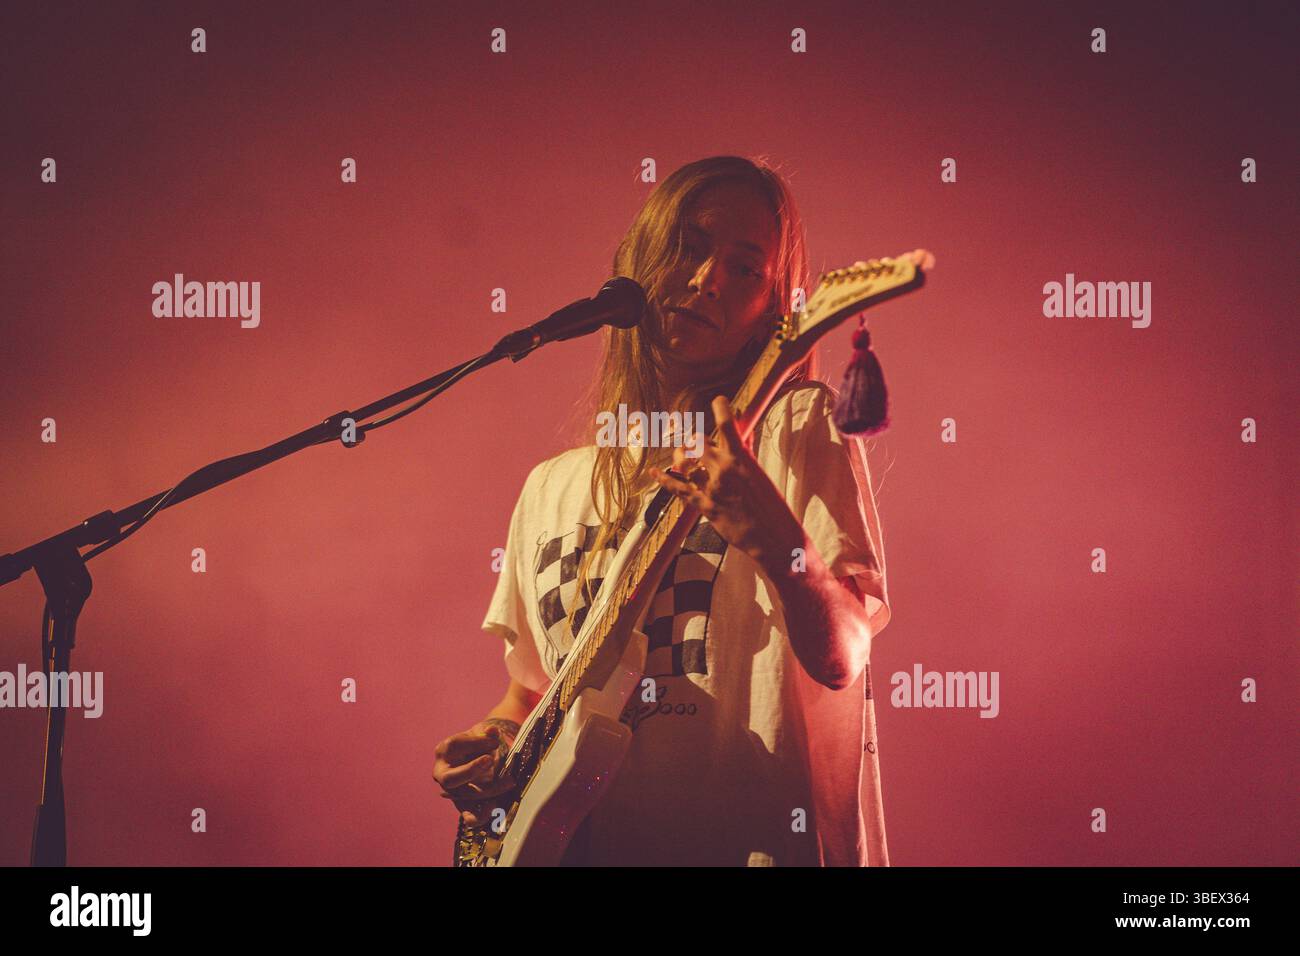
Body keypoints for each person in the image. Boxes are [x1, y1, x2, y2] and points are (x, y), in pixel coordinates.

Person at [432, 154, 931, 865]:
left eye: (744, 269)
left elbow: (844, 654)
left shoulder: (791, 429)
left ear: (774, 312)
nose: (705, 281)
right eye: (689, 249)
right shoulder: (550, 487)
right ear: (638, 262)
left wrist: (773, 537)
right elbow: (534, 694)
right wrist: (493, 741)